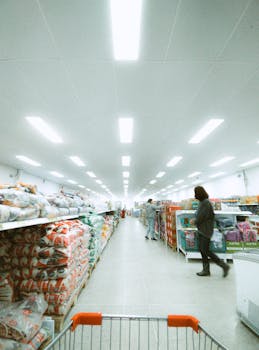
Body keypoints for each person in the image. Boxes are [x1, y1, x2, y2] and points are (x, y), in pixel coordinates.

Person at [192, 186, 230, 277]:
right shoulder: (202, 202)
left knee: (205, 250)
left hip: (206, 230)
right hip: (202, 229)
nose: (194, 195)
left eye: (195, 193)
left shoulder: (205, 203)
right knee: (203, 250)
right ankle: (206, 270)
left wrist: (195, 221)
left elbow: (202, 216)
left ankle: (224, 266)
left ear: (199, 193)